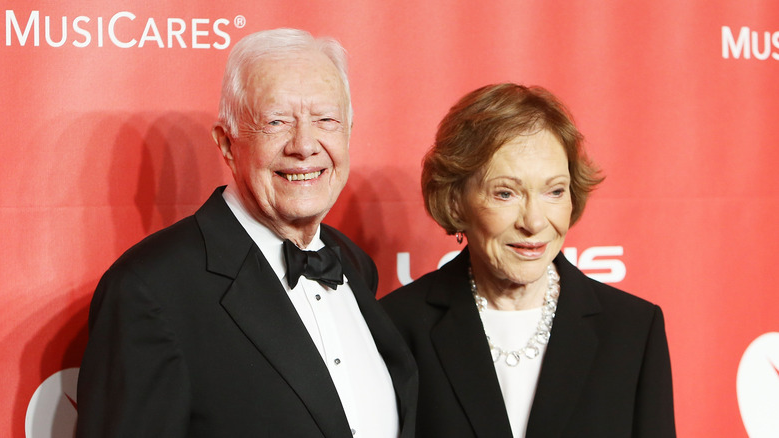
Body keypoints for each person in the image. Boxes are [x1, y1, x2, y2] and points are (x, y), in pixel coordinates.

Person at [76, 28, 417, 438]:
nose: (305, 145)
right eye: (276, 122)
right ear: (226, 143)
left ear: (348, 132)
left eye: (326, 120)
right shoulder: (150, 291)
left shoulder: (354, 263)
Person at [381, 83, 675, 438]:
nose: (534, 222)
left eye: (554, 191)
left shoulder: (632, 331)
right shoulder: (396, 327)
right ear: (455, 200)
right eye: (506, 193)